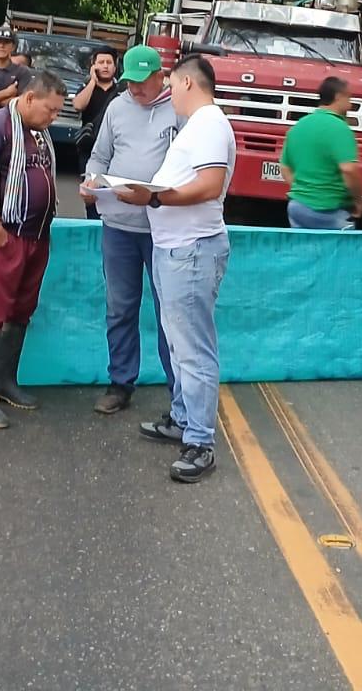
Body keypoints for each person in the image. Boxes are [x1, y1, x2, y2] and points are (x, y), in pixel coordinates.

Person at [115, 55, 236, 484]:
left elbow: (209, 185)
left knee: (193, 349)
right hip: (178, 248)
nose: (169, 94)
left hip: (190, 250)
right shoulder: (199, 125)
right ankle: (184, 419)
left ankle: (200, 441)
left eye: (171, 85)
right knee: (179, 341)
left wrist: (153, 198)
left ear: (186, 83)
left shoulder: (208, 125)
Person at [0, 71, 67, 428]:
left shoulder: (38, 131)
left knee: (22, 308)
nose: (54, 117)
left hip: (37, 235)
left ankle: (3, 381)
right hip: (6, 235)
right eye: (51, 110)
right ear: (30, 99)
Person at [80, 44, 180, 416]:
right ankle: (120, 382)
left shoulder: (179, 109)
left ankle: (180, 391)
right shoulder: (117, 107)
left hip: (163, 228)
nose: (134, 89)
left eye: (141, 82)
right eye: (130, 82)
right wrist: (91, 180)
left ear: (160, 76)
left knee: (170, 312)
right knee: (119, 307)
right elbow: (100, 155)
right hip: (118, 226)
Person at [280, 76, 362, 229]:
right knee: (338, 245)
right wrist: (358, 201)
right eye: (349, 98)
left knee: (303, 245)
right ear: (338, 97)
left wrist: (305, 192)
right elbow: (349, 170)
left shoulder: (299, 126)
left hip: (297, 207)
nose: (350, 105)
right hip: (331, 210)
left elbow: (285, 167)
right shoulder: (340, 128)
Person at [72, 46, 120, 204]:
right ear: (93, 66)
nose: (105, 66)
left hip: (114, 149)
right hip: (90, 148)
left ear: (115, 66)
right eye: (101, 62)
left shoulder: (121, 90)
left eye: (109, 62)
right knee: (91, 193)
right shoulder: (87, 87)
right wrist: (92, 81)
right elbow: (78, 105)